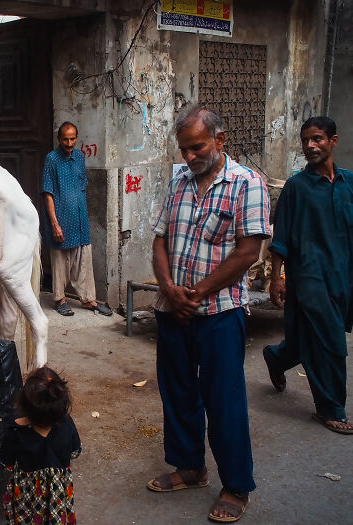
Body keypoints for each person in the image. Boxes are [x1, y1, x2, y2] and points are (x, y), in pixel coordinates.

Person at [147, 106, 271, 522]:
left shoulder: (247, 184)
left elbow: (248, 252)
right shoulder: (178, 183)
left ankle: (236, 485)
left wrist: (196, 293)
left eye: (197, 147)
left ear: (220, 140)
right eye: (183, 149)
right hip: (174, 310)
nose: (189, 157)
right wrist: (168, 290)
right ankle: (190, 467)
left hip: (219, 312)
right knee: (178, 393)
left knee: (224, 400)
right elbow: (160, 240)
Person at [263, 116, 353, 435]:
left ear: (333, 141)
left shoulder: (349, 183)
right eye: (305, 141)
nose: (310, 146)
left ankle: (276, 357)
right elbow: (281, 238)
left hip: (342, 277)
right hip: (308, 277)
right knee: (330, 342)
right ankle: (331, 409)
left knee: (304, 340)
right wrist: (277, 278)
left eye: (316, 139)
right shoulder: (296, 187)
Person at [41, 122, 112, 317]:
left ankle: (89, 299)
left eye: (72, 139)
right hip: (61, 218)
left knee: (83, 259)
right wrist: (54, 224)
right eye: (65, 139)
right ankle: (60, 299)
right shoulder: (52, 159)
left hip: (79, 218)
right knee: (60, 261)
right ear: (59, 139)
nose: (69, 143)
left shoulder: (80, 156)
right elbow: (48, 193)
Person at [0, 366, 81, 525]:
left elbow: (7, 464)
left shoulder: (15, 430)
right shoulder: (67, 424)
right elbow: (75, 452)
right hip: (58, 498)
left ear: (24, 404)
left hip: (27, 500)